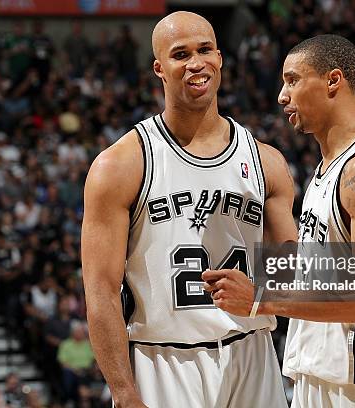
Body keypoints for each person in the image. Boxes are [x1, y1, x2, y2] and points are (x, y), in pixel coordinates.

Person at [203, 35, 355, 407]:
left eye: (293, 80)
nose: (282, 96)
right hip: (322, 378)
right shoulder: (328, 171)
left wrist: (260, 299)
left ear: (333, 80)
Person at [81, 11, 296, 408]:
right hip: (163, 358)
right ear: (159, 68)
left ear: (220, 58)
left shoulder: (267, 161)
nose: (196, 62)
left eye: (205, 50)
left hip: (252, 352)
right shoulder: (121, 165)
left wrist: (261, 295)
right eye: (181, 54)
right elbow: (101, 291)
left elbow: (293, 273)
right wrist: (124, 393)